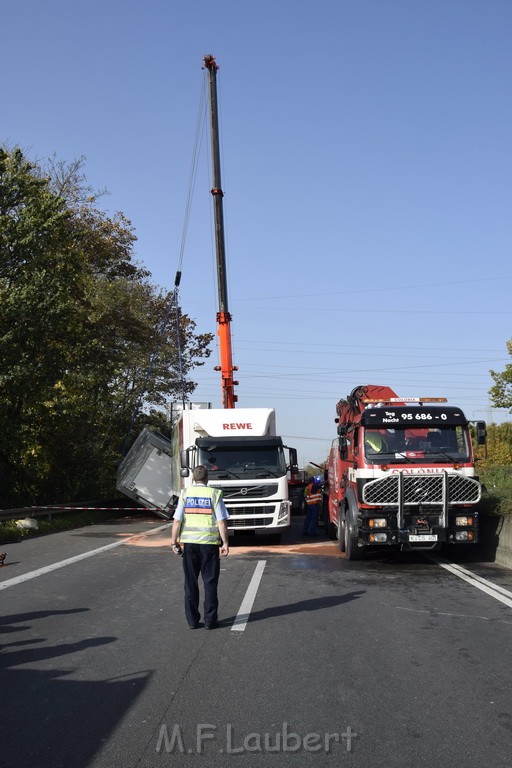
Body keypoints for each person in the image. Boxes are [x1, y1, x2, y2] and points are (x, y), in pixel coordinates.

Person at [170, 465, 229, 629]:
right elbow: (221, 521)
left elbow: (177, 521)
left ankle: (192, 621)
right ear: (207, 478)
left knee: (190, 583)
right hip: (209, 546)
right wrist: (225, 543)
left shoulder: (185, 493)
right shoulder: (214, 494)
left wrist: (173, 542)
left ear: (193, 478)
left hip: (189, 546)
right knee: (210, 583)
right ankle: (210, 621)